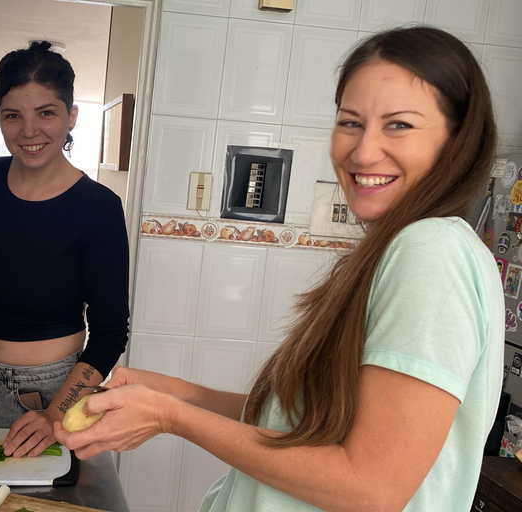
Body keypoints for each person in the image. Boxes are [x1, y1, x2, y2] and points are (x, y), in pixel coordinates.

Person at [55, 26, 503, 511]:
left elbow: (370, 488)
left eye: (399, 125)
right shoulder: (399, 250)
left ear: (458, 140)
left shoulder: (431, 250)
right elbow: (297, 423)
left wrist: (168, 416)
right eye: (351, 122)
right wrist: (169, 393)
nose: (364, 151)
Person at [0, 40, 130, 458]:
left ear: (71, 116)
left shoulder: (99, 209)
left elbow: (109, 333)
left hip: (49, 394)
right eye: (12, 115)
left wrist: (57, 413)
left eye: (46, 113)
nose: (29, 131)